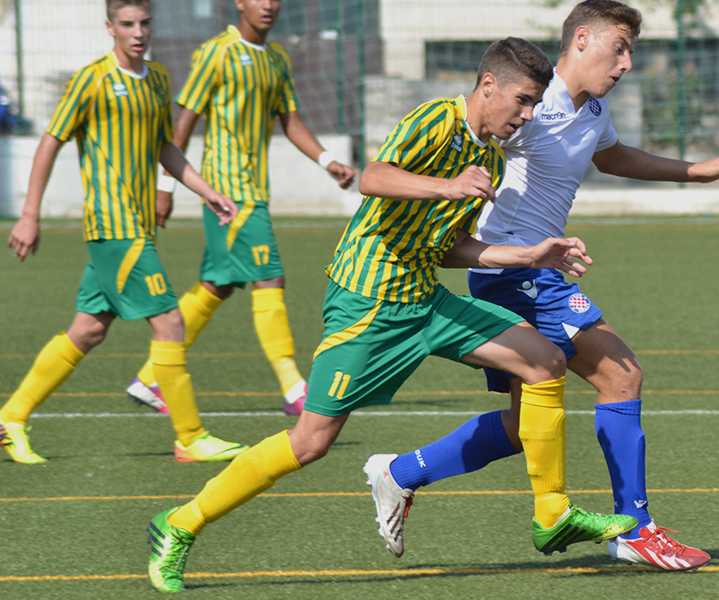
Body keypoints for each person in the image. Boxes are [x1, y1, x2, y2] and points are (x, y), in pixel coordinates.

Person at [146, 37, 638, 593]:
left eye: (534, 105)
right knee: (310, 443)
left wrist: (527, 254)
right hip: (368, 305)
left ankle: (551, 514)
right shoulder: (435, 120)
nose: (526, 117)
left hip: (425, 300)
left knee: (544, 361)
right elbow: (374, 178)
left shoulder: (487, 157)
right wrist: (446, 187)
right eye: (522, 102)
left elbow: (450, 247)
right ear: (488, 85)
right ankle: (179, 524)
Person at [378, 0, 719, 572]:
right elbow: (473, 137)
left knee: (520, 424)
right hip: (514, 273)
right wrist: (444, 194)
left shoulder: (593, 107)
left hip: (532, 271)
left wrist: (696, 170)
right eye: (620, 48)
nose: (626, 63)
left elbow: (612, 156)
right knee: (621, 373)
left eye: (631, 51)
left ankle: (398, 473)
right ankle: (636, 528)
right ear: (582, 39)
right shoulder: (532, 102)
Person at [2, 0, 247, 465]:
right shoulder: (92, 79)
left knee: (88, 330)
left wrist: (204, 190)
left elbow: (164, 148)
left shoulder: (157, 80)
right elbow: (50, 142)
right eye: (128, 24)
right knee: (171, 322)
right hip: (114, 230)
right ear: (110, 27)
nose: (138, 32)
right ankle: (190, 437)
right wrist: (30, 213)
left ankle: (11, 418)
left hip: (136, 227)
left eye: (145, 23)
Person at [125, 0, 356, 417]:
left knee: (219, 285)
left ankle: (151, 376)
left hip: (253, 189)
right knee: (271, 277)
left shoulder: (277, 58)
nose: (268, 5)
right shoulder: (217, 52)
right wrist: (166, 185)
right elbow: (183, 121)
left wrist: (327, 161)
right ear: (239, 3)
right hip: (226, 191)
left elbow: (291, 120)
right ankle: (293, 387)